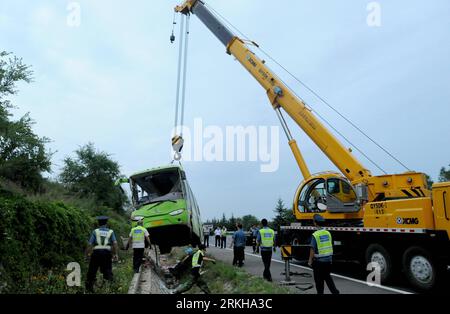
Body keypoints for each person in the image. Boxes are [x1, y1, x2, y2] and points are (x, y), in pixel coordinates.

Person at [308, 214, 340, 295]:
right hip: (328, 261)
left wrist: (310, 261)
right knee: (328, 278)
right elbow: (330, 246)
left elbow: (312, 249)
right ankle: (335, 292)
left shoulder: (315, 235)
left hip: (319, 262)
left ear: (315, 223)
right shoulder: (328, 233)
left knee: (319, 281)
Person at [85, 216, 119, 292]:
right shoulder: (111, 231)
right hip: (107, 253)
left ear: (98, 223)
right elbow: (115, 243)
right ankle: (111, 289)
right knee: (108, 270)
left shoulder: (95, 231)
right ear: (106, 223)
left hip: (96, 253)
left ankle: (89, 290)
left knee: (92, 271)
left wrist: (87, 254)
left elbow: (90, 244)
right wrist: (115, 254)